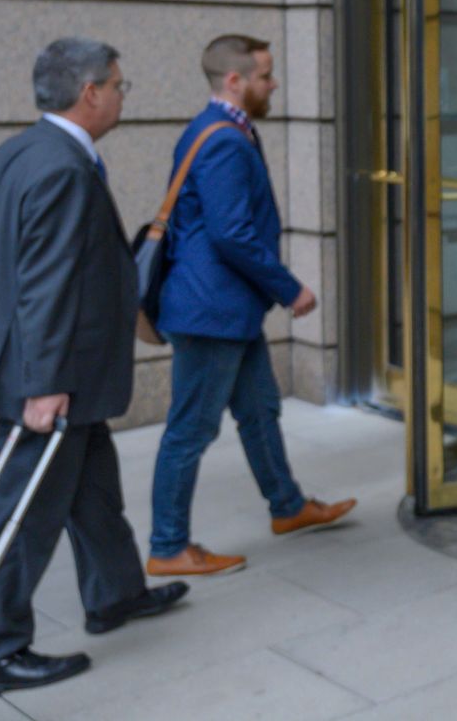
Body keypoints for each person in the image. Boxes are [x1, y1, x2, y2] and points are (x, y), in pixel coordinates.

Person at [0, 38, 188, 697]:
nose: (120, 94)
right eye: (118, 84)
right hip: (50, 374)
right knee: (25, 513)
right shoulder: (61, 168)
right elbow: (46, 283)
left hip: (56, 367)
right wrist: (45, 384)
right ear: (90, 93)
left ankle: (115, 595)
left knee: (93, 493)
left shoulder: (23, 151)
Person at [145, 35, 354, 576]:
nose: (274, 83)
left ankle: (288, 507)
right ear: (234, 81)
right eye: (265, 75)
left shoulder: (222, 130)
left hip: (227, 309)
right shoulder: (223, 141)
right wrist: (290, 288)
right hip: (212, 312)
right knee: (191, 429)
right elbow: (232, 234)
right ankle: (168, 547)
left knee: (259, 410)